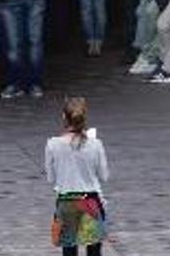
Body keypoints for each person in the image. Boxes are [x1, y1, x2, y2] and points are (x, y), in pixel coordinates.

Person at [45, 97, 109, 256]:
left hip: (66, 201)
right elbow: (104, 176)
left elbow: (51, 179)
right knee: (94, 250)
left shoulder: (52, 144)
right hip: (90, 200)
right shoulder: (96, 144)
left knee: (69, 249)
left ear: (63, 117)